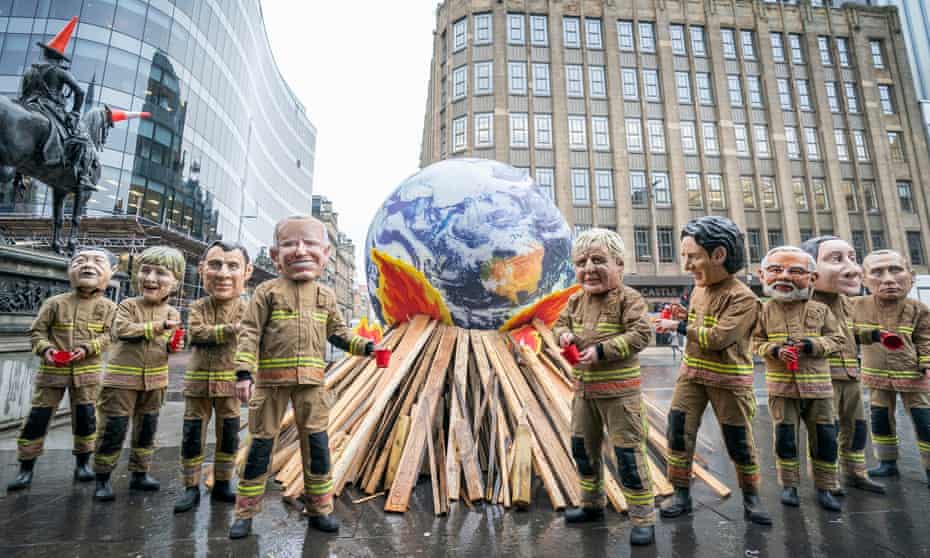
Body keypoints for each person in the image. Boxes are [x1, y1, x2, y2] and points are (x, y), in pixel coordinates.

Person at [229, 216, 377, 539]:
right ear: (274, 254)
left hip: (311, 386)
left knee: (317, 447)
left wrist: (366, 347)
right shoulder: (266, 293)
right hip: (270, 385)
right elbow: (249, 333)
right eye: (290, 244)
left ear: (325, 253)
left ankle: (320, 509)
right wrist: (243, 372)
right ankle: (245, 513)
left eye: (310, 245)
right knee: (260, 447)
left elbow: (338, 334)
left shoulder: (325, 296)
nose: (300, 251)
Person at [653, 216, 772, 525]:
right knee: (678, 433)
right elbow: (700, 321)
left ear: (718, 255)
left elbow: (719, 337)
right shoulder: (698, 290)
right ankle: (681, 494)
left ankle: (752, 499)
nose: (687, 265)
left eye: (692, 256)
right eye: (685, 257)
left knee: (738, 441)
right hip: (691, 376)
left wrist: (677, 325)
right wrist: (685, 314)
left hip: (728, 382)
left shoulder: (744, 298)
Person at [552, 228, 656, 546]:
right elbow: (559, 324)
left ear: (620, 265)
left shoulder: (630, 298)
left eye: (599, 260)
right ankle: (592, 505)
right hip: (584, 393)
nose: (589, 268)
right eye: (581, 262)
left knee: (628, 456)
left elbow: (641, 334)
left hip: (620, 396)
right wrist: (563, 336)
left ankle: (643, 518)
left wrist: (601, 351)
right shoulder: (574, 301)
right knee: (583, 451)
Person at [7, 247, 117, 490]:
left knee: (86, 419)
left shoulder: (109, 307)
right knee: (38, 418)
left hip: (87, 375)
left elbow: (111, 335)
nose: (88, 266)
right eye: (80, 261)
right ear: (70, 270)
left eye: (97, 261)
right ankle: (26, 467)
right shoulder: (54, 303)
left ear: (111, 272)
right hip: (51, 373)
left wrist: (90, 347)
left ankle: (82, 463)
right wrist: (46, 349)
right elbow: (37, 332)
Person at [752, 246, 845, 511]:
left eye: (795, 271)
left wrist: (810, 345)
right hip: (781, 387)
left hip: (819, 388)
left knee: (825, 437)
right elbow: (753, 342)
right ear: (762, 276)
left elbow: (837, 339)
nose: (785, 276)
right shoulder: (762, 310)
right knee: (785, 437)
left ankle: (825, 487)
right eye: (776, 270)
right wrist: (774, 350)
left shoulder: (821, 310)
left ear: (812, 278)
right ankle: (789, 486)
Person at [93, 246, 186, 501]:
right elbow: (122, 330)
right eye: (145, 271)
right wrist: (158, 327)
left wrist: (175, 344)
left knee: (147, 428)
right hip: (121, 382)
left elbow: (168, 344)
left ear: (175, 282)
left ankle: (140, 472)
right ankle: (102, 476)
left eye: (160, 273)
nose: (151, 278)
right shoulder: (126, 305)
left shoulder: (172, 313)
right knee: (114, 428)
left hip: (155, 382)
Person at [801, 236, 885, 494]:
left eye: (852, 258)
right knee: (826, 430)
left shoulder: (846, 303)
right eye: (836, 259)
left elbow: (850, 335)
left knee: (856, 427)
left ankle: (856, 472)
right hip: (822, 379)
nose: (853, 268)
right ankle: (826, 481)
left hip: (850, 376)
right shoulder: (805, 305)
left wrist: (873, 334)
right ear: (811, 271)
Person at [174, 241, 253, 513]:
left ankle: (222, 483)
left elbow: (250, 343)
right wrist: (232, 329)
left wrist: (247, 375)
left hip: (230, 386)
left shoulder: (248, 309)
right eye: (216, 265)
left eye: (232, 266)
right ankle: (190, 485)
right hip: (198, 384)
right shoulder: (197, 306)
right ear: (202, 269)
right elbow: (196, 333)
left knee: (229, 436)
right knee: (192, 435)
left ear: (247, 271)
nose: (223, 274)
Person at [851, 250, 930, 488]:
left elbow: (926, 338)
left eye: (895, 270)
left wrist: (927, 362)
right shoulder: (855, 306)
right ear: (864, 279)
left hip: (913, 376)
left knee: (924, 421)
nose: (888, 279)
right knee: (880, 420)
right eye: (877, 272)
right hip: (876, 377)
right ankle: (887, 462)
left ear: (911, 276)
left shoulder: (918, 309)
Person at [17, 17, 93, 188]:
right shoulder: (59, 71)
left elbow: (23, 90)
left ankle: (18, 174)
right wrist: (74, 112)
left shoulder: (30, 69)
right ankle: (80, 176)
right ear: (58, 58)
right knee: (81, 137)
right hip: (51, 109)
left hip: (27, 103)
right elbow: (80, 92)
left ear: (45, 53)